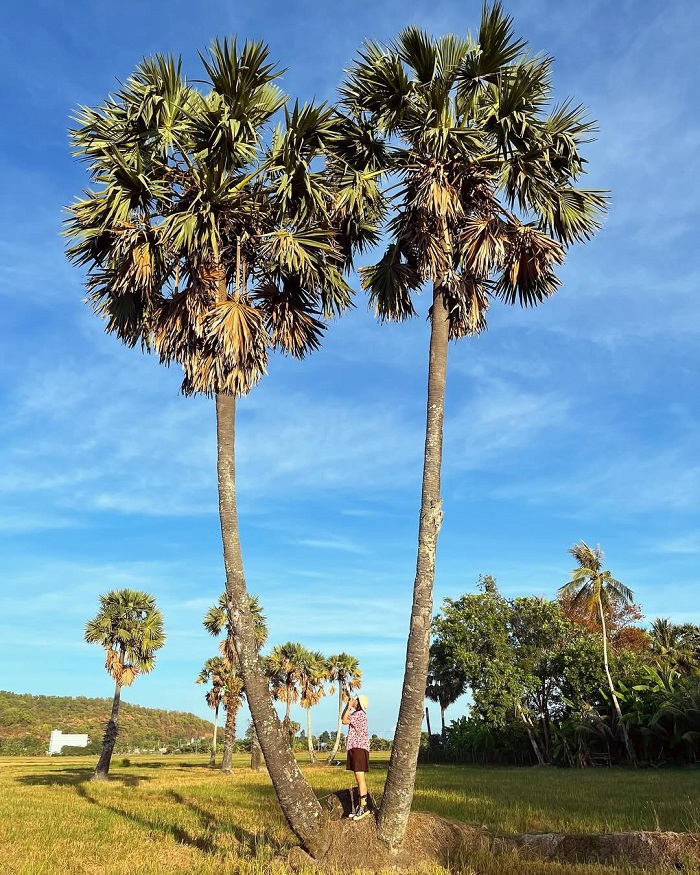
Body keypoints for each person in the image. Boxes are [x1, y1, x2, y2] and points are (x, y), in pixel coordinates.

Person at [342, 693, 370, 820]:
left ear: (358, 703)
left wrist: (348, 706)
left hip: (359, 749)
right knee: (358, 778)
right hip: (356, 748)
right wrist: (348, 706)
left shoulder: (359, 715)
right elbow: (344, 719)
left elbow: (343, 720)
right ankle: (361, 806)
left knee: (360, 778)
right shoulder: (356, 714)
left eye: (355, 700)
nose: (353, 700)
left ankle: (363, 807)